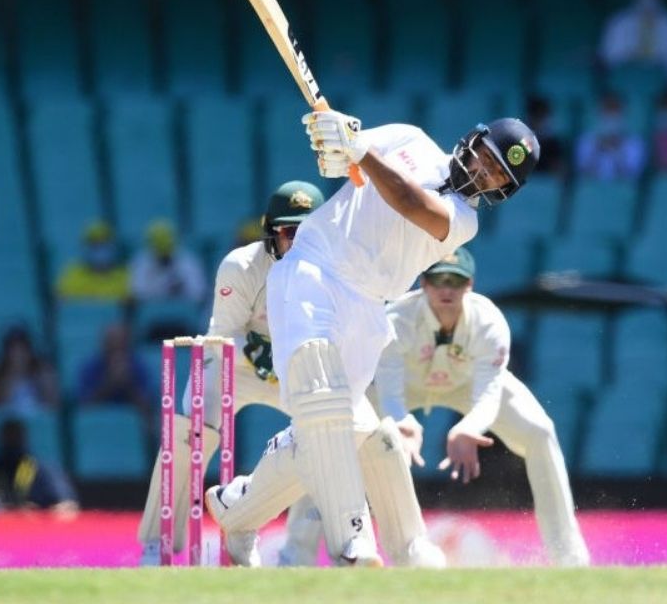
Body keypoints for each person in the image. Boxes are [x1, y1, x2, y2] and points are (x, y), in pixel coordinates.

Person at [206, 108, 540, 568]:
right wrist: (335, 136)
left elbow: (409, 201)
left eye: (497, 173)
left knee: (347, 430)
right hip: (315, 268)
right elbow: (338, 162)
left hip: (367, 306)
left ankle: (236, 509)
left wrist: (360, 149)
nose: (483, 171)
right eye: (486, 157)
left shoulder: (464, 220)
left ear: (502, 189)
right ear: (472, 141)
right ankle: (353, 540)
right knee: (322, 404)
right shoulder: (409, 139)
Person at [135, 181, 443, 568]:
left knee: (359, 436)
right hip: (242, 368)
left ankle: (294, 541)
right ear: (270, 234)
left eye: (306, 231)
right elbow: (223, 334)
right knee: (189, 433)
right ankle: (156, 542)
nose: (297, 242)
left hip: (306, 371)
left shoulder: (339, 266)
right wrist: (260, 354)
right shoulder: (241, 266)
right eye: (287, 232)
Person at [365, 248, 588, 565]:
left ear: (469, 285)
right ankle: (328, 547)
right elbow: (388, 390)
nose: (446, 290)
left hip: (467, 384)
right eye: (438, 280)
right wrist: (401, 422)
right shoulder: (396, 321)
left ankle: (570, 558)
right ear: (423, 284)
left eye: (454, 282)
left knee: (540, 432)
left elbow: (488, 394)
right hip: (406, 385)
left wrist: (468, 427)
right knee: (336, 433)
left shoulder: (489, 322)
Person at [0, 419, 78, 515]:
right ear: (0, 439)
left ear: (24, 438)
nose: (12, 441)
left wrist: (38, 515)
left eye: (16, 437)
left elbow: (68, 506)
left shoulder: (43, 470)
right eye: (8, 437)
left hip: (34, 529)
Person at [0, 326, 60, 418]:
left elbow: (54, 406)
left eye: (23, 349)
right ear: (6, 353)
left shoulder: (43, 372)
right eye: (14, 350)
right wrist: (13, 376)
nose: (19, 354)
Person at [130, 219, 208, 305]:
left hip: (182, 310)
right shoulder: (142, 262)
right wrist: (164, 289)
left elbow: (199, 292)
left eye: (166, 253)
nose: (163, 257)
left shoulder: (187, 260)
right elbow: (137, 293)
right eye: (159, 254)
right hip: (152, 312)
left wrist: (180, 290)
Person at [575, 91, 645, 181]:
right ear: (598, 112)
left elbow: (631, 179)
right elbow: (583, 176)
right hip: (592, 192)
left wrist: (617, 151)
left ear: (624, 112)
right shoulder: (585, 141)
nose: (611, 115)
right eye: (606, 109)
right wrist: (597, 150)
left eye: (615, 109)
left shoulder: (635, 143)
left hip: (623, 193)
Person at [54, 221, 129, 302]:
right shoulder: (70, 275)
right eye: (94, 245)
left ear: (113, 247)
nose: (100, 250)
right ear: (84, 247)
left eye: (104, 244)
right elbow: (61, 304)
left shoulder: (127, 277)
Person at [525, 93, 568, 177]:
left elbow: (559, 171)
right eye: (536, 116)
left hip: (547, 186)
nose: (539, 121)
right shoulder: (519, 140)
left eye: (542, 116)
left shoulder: (554, 143)